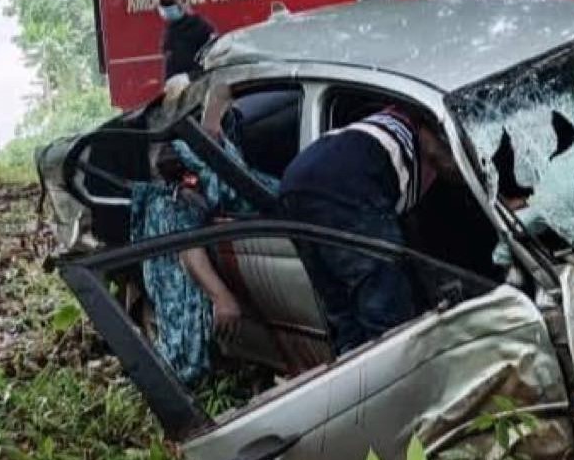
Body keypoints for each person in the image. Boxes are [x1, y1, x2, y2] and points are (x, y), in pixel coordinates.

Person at [130, 81, 280, 385]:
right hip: (184, 258)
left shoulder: (217, 149)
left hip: (186, 242)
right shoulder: (184, 165)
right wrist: (222, 297)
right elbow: (190, 245)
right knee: (185, 353)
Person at [278, 106, 460, 355]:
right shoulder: (427, 116)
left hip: (295, 182)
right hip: (343, 184)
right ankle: (397, 369)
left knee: (343, 311)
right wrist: (481, 181)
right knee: (387, 313)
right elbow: (439, 154)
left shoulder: (390, 125)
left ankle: (356, 365)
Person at [159, 0, 216, 83]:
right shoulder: (170, 33)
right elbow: (169, 67)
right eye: (166, 6)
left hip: (200, 85)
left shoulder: (201, 27)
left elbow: (213, 63)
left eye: (172, 4)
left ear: (183, 1)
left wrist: (190, 77)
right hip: (178, 88)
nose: (169, 10)